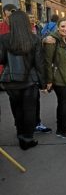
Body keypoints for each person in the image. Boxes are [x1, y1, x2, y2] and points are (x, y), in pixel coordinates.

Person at [0, 10, 46, 150]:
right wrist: (43, 83)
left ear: (12, 23)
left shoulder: (4, 38)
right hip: (29, 80)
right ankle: (28, 138)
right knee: (29, 110)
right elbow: (39, 63)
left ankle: (20, 133)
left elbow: (1, 59)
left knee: (17, 108)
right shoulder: (35, 39)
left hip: (11, 80)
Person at [44, 18, 66, 140]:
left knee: (63, 104)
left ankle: (61, 128)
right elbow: (48, 62)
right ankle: (64, 130)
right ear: (58, 27)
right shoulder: (52, 40)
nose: (65, 29)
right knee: (64, 104)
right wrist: (49, 81)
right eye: (62, 26)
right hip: (58, 78)